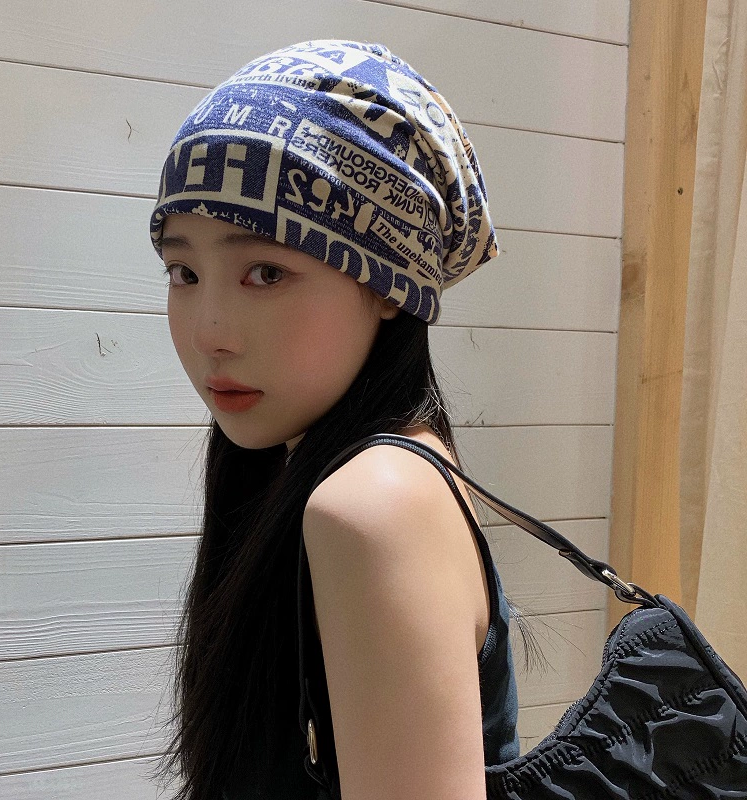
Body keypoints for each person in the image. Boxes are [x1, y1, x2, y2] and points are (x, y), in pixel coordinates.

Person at [147, 39, 527, 800]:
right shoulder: (332, 470)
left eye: (266, 272)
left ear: (387, 285)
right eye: (184, 272)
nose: (210, 330)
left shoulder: (374, 504)